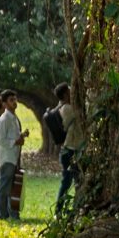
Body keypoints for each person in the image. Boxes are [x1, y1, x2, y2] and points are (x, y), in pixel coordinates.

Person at [44, 84, 78, 217]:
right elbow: (82, 113)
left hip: (66, 150)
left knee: (67, 181)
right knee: (71, 182)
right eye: (70, 91)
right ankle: (60, 210)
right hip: (71, 149)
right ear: (65, 95)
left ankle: (60, 211)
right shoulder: (68, 109)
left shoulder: (60, 107)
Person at [0, 95, 27, 221]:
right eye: (11, 100)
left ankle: (11, 213)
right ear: (5, 104)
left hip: (14, 157)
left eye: (15, 99)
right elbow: (0, 140)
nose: (14, 102)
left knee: (12, 188)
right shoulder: (4, 119)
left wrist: (22, 136)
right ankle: (1, 215)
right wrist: (15, 142)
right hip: (6, 158)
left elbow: (14, 136)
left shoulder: (14, 119)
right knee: (3, 188)